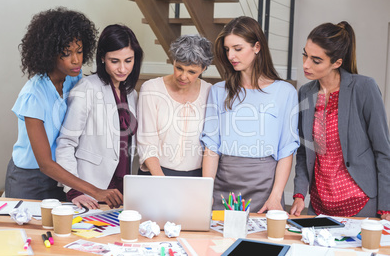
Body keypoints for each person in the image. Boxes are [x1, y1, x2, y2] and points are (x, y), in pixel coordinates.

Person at [290, 21, 390, 220]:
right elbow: (303, 151)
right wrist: (299, 194)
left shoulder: (364, 88)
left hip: (360, 202)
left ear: (336, 63)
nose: (305, 64)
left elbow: (383, 150)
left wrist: (386, 206)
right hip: (319, 205)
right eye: (305, 54)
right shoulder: (305, 93)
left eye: (316, 60)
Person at [201, 16, 299, 213]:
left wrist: (276, 196)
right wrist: (205, 193)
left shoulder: (285, 92)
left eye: (237, 48)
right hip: (223, 182)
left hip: (264, 185)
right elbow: (211, 146)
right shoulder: (218, 91)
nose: (231, 56)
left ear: (257, 47)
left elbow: (286, 149)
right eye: (227, 49)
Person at [5, 7, 102, 201]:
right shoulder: (33, 95)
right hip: (30, 179)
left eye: (80, 51)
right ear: (49, 54)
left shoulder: (75, 78)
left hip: (62, 174)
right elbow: (45, 164)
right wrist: (94, 191)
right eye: (66, 54)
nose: (76, 60)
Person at [56, 24, 143, 209]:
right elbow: (65, 143)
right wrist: (74, 190)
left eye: (128, 60)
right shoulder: (87, 88)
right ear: (102, 57)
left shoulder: (132, 94)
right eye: (114, 61)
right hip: (89, 188)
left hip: (122, 189)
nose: (122, 68)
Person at [136, 34, 213, 176]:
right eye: (179, 68)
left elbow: (212, 144)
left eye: (192, 72)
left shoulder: (210, 92)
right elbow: (146, 143)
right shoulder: (151, 89)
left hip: (196, 176)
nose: (183, 76)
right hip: (156, 174)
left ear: (203, 69)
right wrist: (162, 182)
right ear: (173, 61)